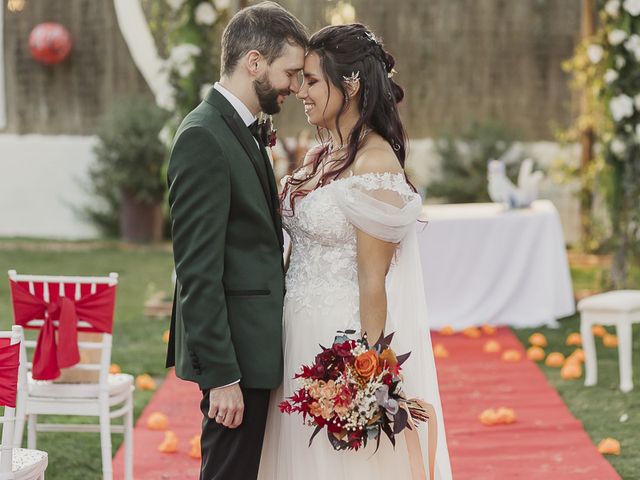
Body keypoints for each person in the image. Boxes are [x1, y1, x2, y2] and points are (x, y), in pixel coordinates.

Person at [258, 24, 452, 479]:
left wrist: (365, 379)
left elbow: (373, 281)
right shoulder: (320, 156)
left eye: (311, 81)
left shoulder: (374, 164)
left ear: (350, 85)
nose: (299, 91)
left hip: (338, 342)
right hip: (293, 334)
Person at [164, 3, 307, 479]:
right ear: (254, 62)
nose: (294, 85)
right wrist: (222, 375)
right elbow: (196, 271)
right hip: (235, 360)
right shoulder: (203, 137)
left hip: (254, 348)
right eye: (289, 72)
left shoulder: (239, 129)